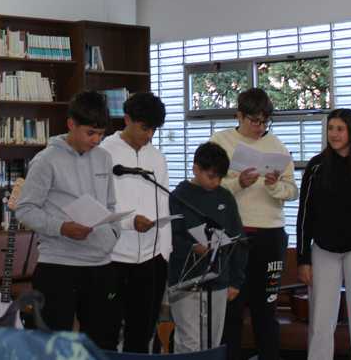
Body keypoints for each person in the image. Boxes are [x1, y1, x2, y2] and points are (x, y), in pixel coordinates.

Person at [14, 91, 121, 349]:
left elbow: (109, 204)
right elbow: (25, 209)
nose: (97, 140)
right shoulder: (45, 160)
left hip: (101, 265)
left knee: (102, 343)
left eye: (101, 134)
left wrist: (113, 234)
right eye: (90, 133)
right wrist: (62, 227)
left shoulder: (104, 157)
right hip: (59, 267)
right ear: (71, 124)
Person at [210, 88, 298, 360]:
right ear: (239, 115)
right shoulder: (221, 141)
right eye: (254, 121)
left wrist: (274, 186)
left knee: (265, 309)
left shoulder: (277, 146)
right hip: (234, 234)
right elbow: (210, 185)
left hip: (271, 234)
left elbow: (292, 190)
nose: (260, 127)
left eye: (264, 121)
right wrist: (239, 182)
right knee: (232, 310)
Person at [297, 108, 351, 360]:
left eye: (340, 129)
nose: (334, 134)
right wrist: (303, 258)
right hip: (323, 250)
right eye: (330, 128)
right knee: (321, 320)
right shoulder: (316, 167)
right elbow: (304, 215)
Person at [100, 92, 171, 353]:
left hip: (151, 260)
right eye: (144, 128)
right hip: (113, 257)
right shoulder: (104, 152)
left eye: (153, 129)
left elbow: (163, 203)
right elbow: (100, 205)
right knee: (105, 332)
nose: (149, 135)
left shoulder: (157, 157)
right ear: (127, 119)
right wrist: (130, 222)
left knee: (141, 334)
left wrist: (166, 253)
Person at [168, 142, 247, 352]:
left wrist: (236, 281)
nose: (216, 182)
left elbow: (238, 239)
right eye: (211, 176)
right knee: (189, 341)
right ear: (196, 169)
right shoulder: (178, 196)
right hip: (185, 281)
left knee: (212, 341)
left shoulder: (225, 197)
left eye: (220, 177)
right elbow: (170, 237)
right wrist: (193, 247)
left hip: (218, 281)